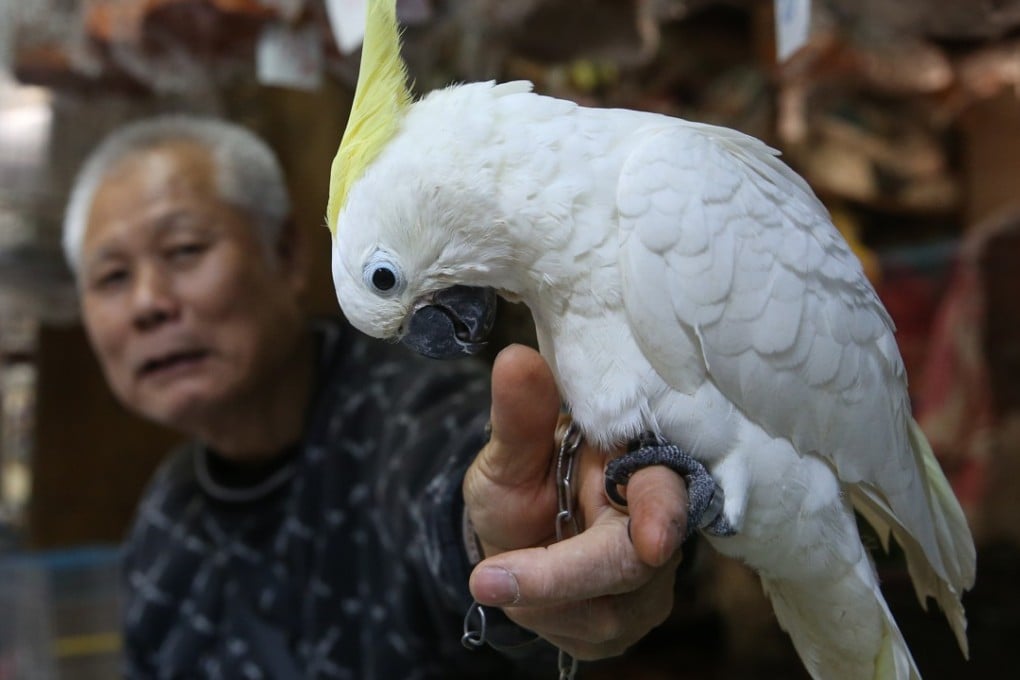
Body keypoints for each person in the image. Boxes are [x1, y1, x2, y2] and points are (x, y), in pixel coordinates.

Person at [61, 114, 692, 678]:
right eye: (113, 276)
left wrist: (500, 534)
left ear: (285, 254)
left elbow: (454, 477)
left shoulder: (402, 408)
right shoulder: (164, 521)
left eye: (183, 250)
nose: (148, 303)